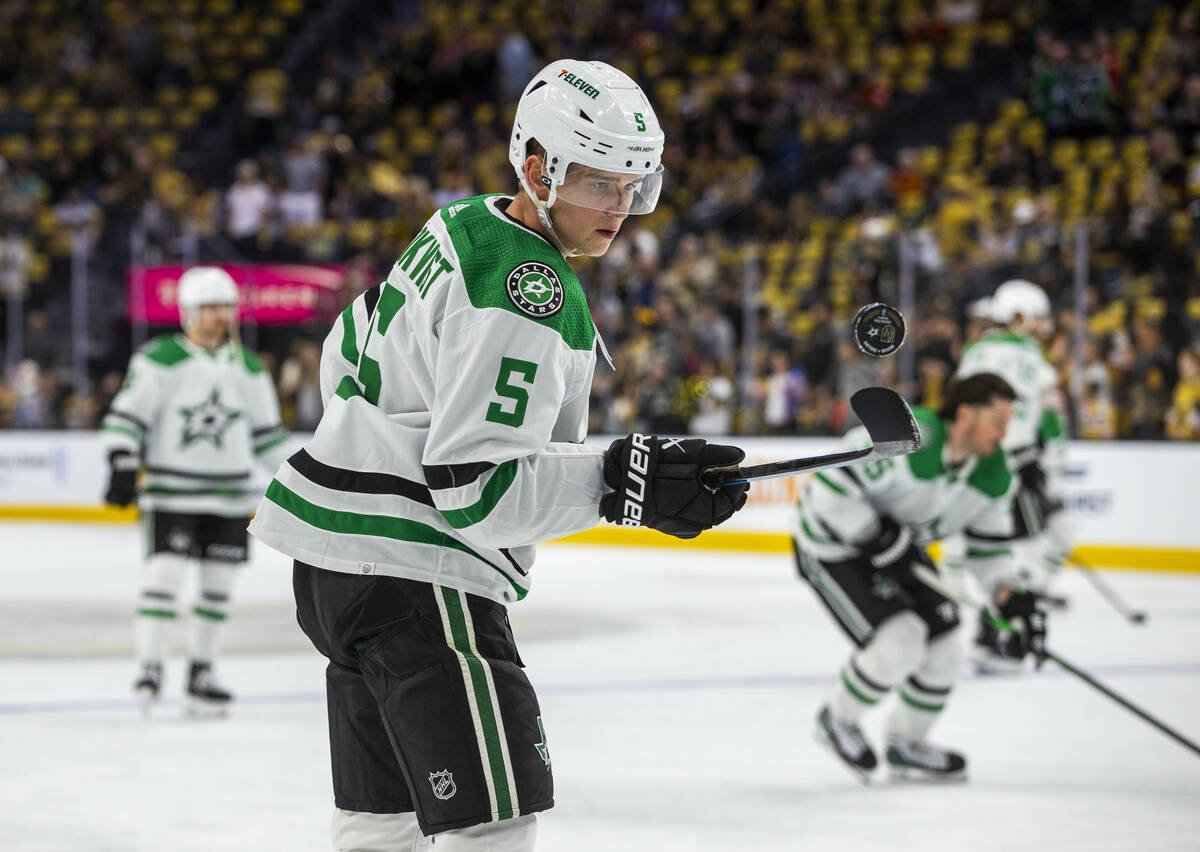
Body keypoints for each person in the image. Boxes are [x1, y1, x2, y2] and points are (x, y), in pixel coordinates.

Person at [247, 59, 750, 851]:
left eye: (634, 187)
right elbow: (475, 490)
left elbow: (345, 352)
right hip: (422, 579)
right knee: (493, 823)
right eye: (598, 184)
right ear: (540, 165)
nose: (619, 209)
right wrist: (628, 483)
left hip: (337, 572)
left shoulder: (457, 226)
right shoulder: (529, 286)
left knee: (379, 827)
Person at [792, 374, 1048, 781]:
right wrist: (873, 535)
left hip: (900, 550)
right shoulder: (908, 434)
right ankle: (837, 718)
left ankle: (906, 742)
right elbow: (829, 487)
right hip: (834, 545)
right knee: (903, 638)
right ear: (965, 413)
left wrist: (1010, 597)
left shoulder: (992, 474)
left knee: (946, 646)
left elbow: (989, 552)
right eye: (997, 422)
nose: (1004, 435)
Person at [100, 266, 290, 715]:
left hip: (229, 498)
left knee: (217, 587)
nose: (220, 316)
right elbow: (127, 415)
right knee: (162, 579)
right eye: (209, 307)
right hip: (172, 495)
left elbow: (267, 437)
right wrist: (122, 459)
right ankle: (150, 667)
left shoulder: (248, 367)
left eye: (225, 306)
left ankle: (203, 671)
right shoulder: (160, 358)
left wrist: (304, 471)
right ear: (188, 312)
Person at [954, 279, 1072, 671]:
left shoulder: (975, 353)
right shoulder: (1031, 357)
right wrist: (1044, 462)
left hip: (979, 460)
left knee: (997, 547)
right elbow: (1050, 417)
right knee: (1037, 541)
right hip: (1015, 462)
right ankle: (999, 630)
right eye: (1037, 319)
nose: (1042, 327)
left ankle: (994, 626)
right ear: (1020, 317)